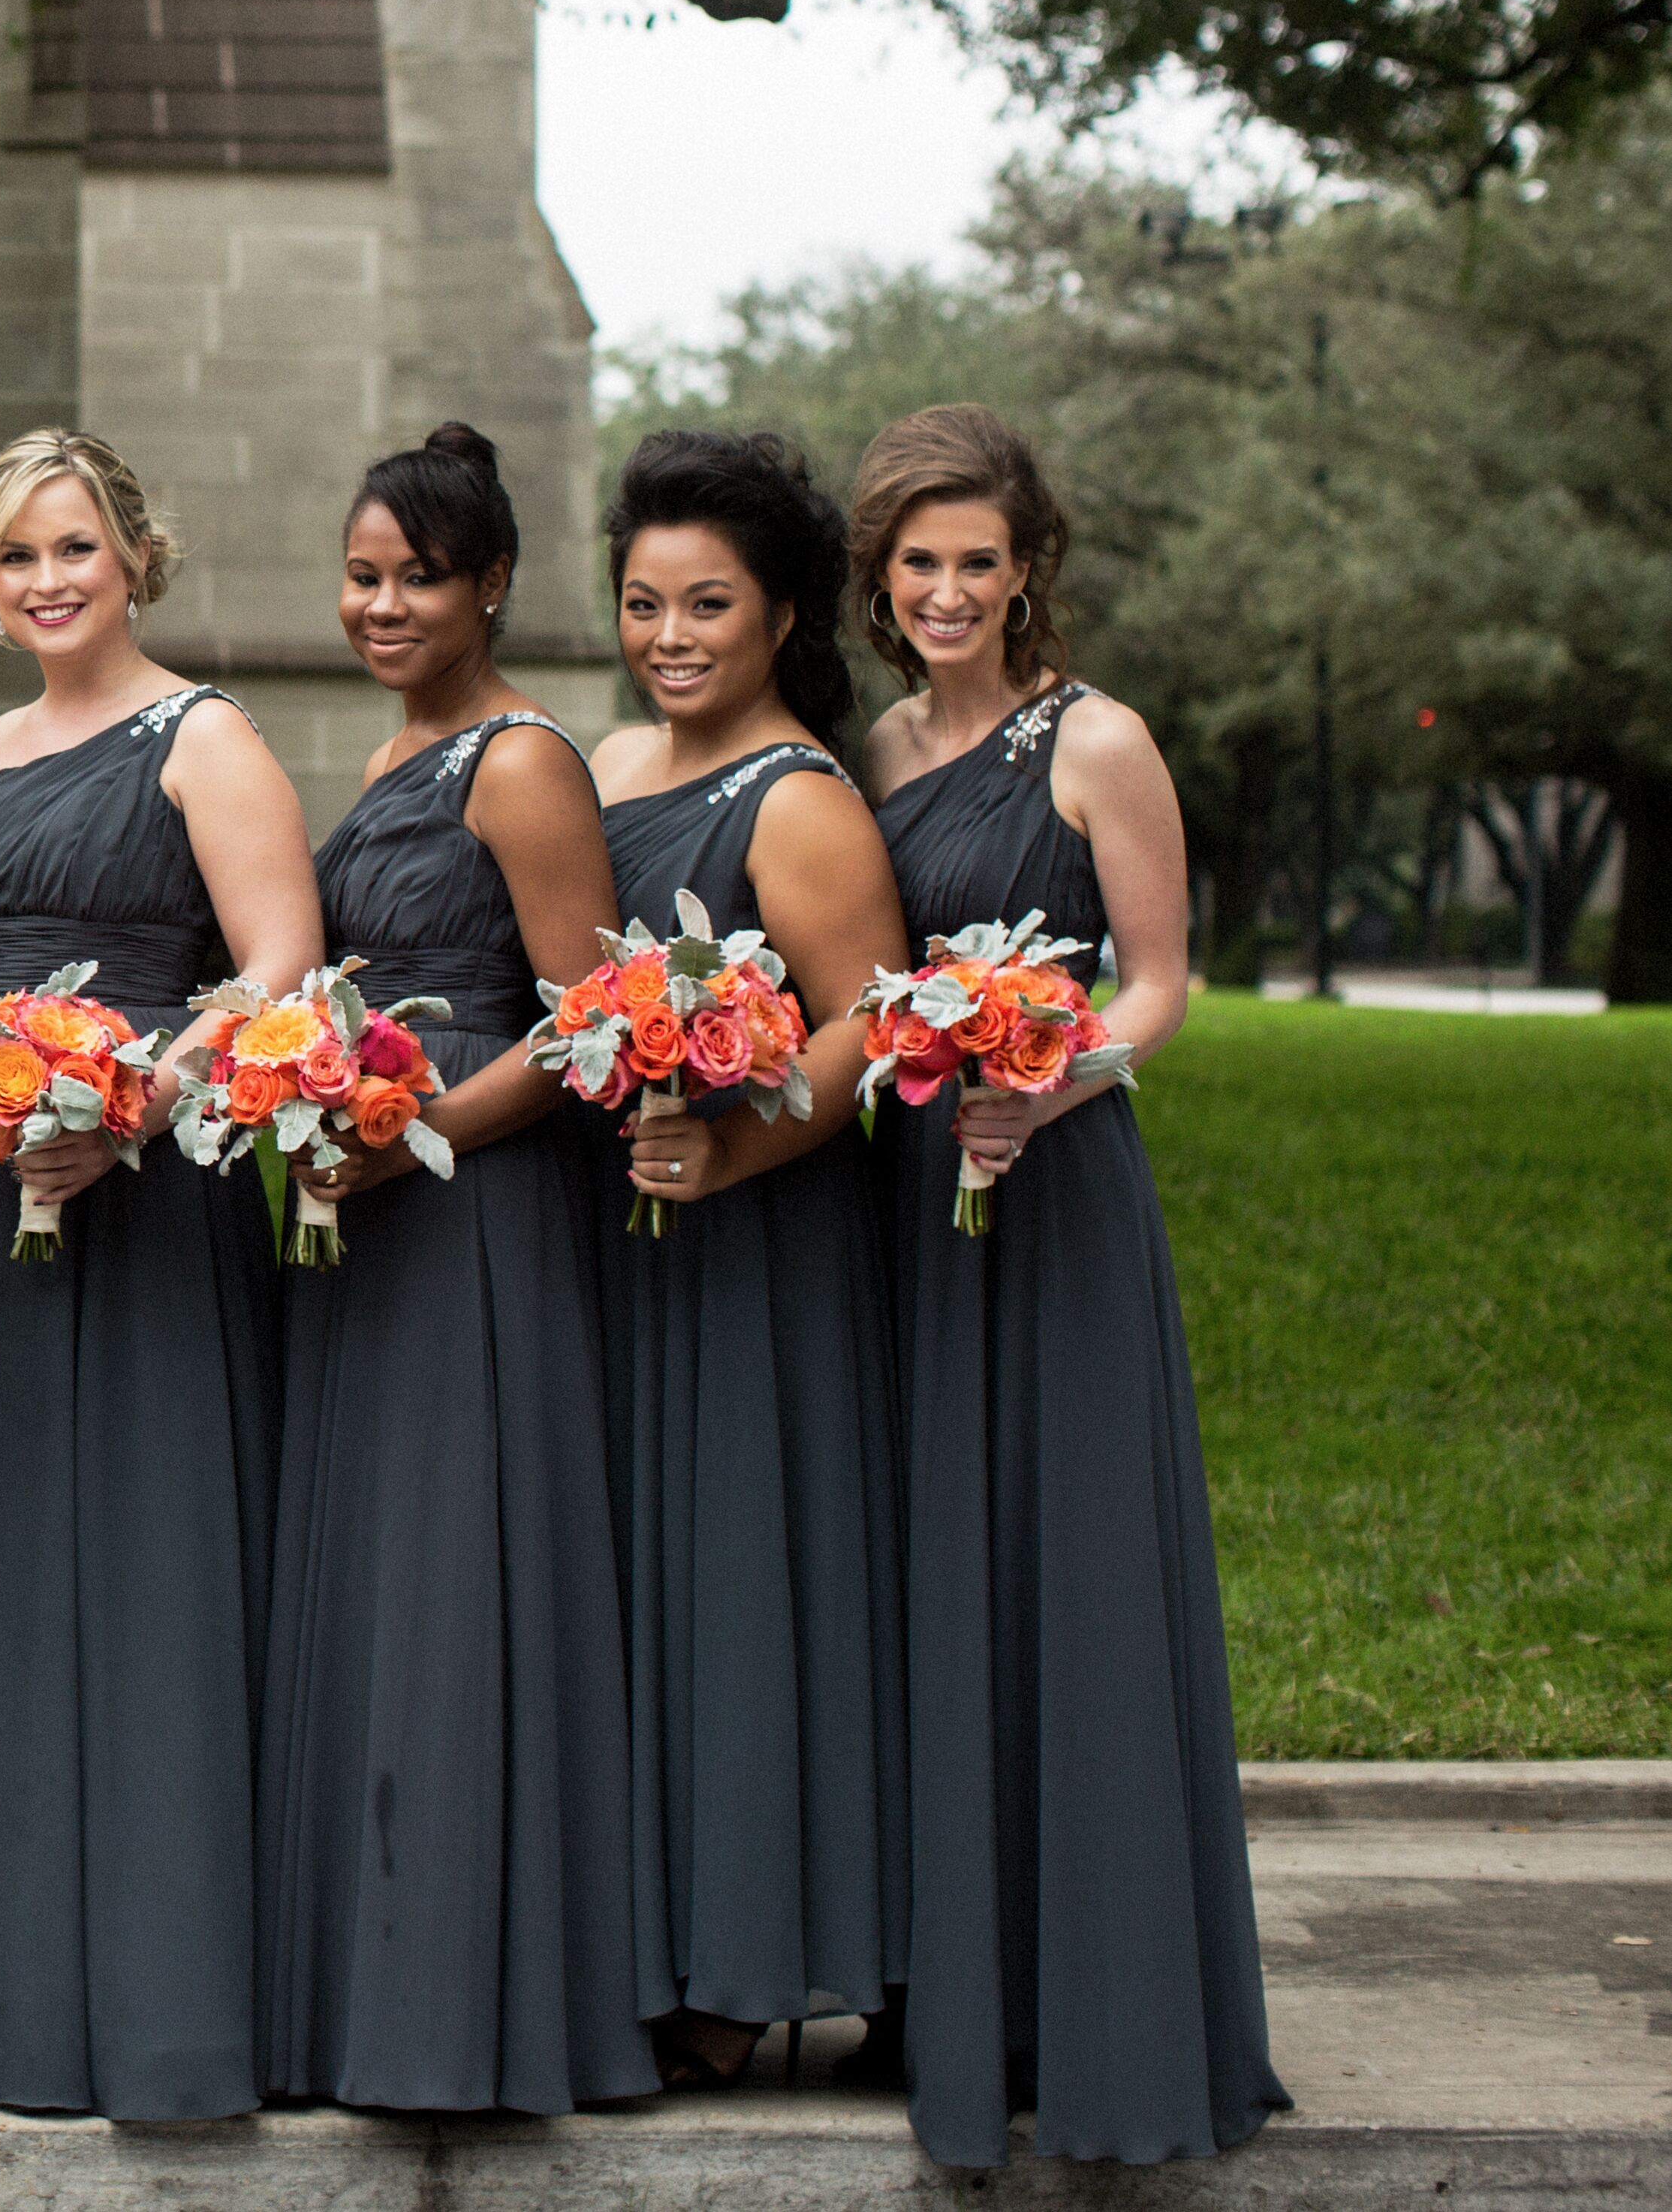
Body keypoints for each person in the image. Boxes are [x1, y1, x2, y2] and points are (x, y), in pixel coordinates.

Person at [850, 405, 1286, 2168]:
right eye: (917, 563)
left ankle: (1107, 2007)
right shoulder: (872, 746)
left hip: (1057, 1188)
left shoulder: (1093, 740)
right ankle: (958, 1988)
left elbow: (1160, 984)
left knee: (1071, 1575)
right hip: (913, 1190)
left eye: (975, 560)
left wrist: (1048, 1081)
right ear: (879, 579)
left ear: (1027, 565)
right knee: (935, 1571)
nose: (947, 590)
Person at [0, 429, 318, 2123]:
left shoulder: (201, 736)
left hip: (146, 1195)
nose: (46, 579)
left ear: (134, 554)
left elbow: (275, 968)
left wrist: (122, 1103)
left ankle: (164, 2010)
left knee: (146, 1580)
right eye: (14, 559)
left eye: (72, 546)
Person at [264, 421, 652, 2114]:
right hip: (373, 1212)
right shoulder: (376, 770)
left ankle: (473, 2006)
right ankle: (368, 1977)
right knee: (380, 1591)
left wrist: (411, 1131)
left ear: (491, 581)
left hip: (479, 1220)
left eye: (417, 575)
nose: (383, 603)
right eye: (360, 577)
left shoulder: (518, 763)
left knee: (458, 1590)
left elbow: (591, 1029)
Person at [584, 430, 911, 2086]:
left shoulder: (796, 799)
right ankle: (635, 1931)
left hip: (758, 1243)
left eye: (706, 601)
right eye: (643, 601)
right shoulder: (611, 763)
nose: (670, 633)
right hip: (618, 1241)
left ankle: (747, 1955)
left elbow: (870, 1026)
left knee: (738, 1584)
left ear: (781, 613)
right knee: (634, 1583)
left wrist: (727, 1141)